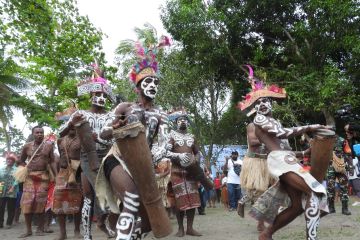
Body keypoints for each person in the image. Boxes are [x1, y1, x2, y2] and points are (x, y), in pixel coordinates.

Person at [95, 36, 172, 240]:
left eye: (156, 82)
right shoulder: (124, 107)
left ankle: (131, 235)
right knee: (131, 198)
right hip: (118, 158)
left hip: (144, 165)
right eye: (148, 81)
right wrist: (113, 127)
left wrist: (157, 158)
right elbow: (102, 135)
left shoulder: (161, 115)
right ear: (138, 87)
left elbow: (163, 142)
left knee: (146, 221)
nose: (153, 85)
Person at [59, 63, 115, 239]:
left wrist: (99, 138)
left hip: (108, 156)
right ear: (91, 95)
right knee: (90, 196)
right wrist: (70, 122)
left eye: (103, 94)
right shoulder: (81, 114)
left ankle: (102, 222)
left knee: (109, 195)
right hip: (87, 158)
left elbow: (115, 138)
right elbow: (60, 133)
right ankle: (87, 235)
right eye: (97, 94)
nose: (101, 97)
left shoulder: (112, 115)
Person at [17, 126, 58, 238]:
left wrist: (56, 175)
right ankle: (28, 230)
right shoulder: (27, 146)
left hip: (43, 177)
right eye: (37, 132)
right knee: (27, 204)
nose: (40, 134)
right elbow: (21, 160)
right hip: (29, 177)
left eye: (41, 132)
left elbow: (53, 161)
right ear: (33, 134)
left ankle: (40, 229)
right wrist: (22, 168)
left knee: (41, 203)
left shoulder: (49, 146)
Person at [167, 112, 202, 237]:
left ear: (187, 122)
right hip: (177, 172)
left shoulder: (192, 137)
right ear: (176, 123)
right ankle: (180, 228)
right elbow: (166, 152)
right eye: (180, 120)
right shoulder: (172, 135)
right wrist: (179, 156)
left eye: (185, 119)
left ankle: (190, 228)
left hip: (190, 172)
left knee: (193, 199)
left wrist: (196, 160)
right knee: (179, 201)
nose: (182, 121)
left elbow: (197, 152)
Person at [53, 106, 83, 240]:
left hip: (77, 173)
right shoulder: (60, 140)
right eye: (68, 123)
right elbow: (59, 158)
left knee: (77, 202)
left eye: (73, 124)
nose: (71, 126)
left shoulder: (82, 139)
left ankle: (77, 231)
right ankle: (62, 233)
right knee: (59, 202)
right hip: (62, 173)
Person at [237, 122, 272, 232]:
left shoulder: (270, 125)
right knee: (259, 192)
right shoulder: (252, 126)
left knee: (267, 192)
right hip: (254, 162)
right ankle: (260, 224)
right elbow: (252, 141)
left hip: (266, 162)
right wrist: (268, 140)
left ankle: (243, 201)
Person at [326, 137, 352, 215]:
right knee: (330, 188)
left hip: (341, 167)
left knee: (344, 187)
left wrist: (350, 167)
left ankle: (345, 209)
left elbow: (349, 153)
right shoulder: (325, 141)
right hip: (330, 167)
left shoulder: (342, 140)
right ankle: (331, 208)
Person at [0, 152, 18, 229]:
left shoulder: (17, 169)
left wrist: (13, 187)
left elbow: (18, 180)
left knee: (11, 207)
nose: (9, 161)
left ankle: (9, 223)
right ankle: (0, 223)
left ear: (13, 161)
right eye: (8, 159)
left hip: (12, 190)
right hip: (1, 190)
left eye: (11, 160)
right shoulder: (1, 169)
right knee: (1, 207)